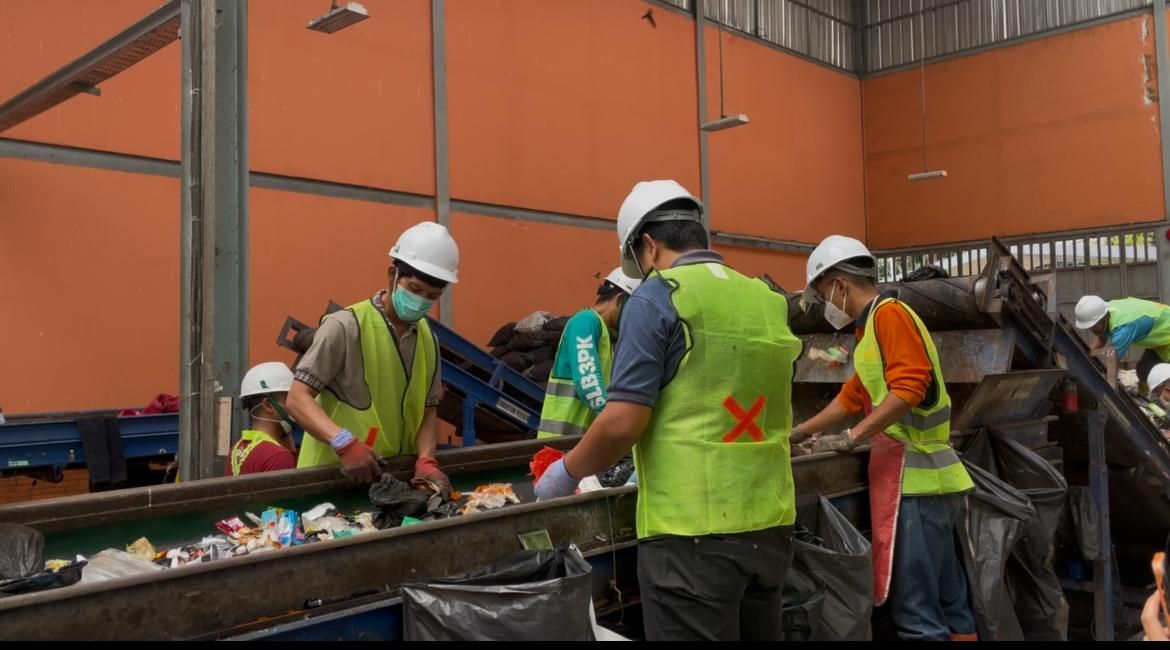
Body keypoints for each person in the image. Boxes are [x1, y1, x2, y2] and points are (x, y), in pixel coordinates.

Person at [535, 180, 802, 641]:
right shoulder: (767, 300)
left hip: (691, 536)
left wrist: (566, 472)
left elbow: (622, 421)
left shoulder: (658, 297)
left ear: (649, 245)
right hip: (771, 525)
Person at [791, 234, 977, 642]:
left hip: (916, 483)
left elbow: (909, 387)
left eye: (822, 293)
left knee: (916, 612)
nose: (825, 305)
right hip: (932, 483)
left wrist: (852, 437)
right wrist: (801, 432)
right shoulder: (871, 330)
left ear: (839, 283)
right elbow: (852, 397)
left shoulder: (890, 315)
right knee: (951, 601)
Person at [287, 222, 457, 487]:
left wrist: (426, 458)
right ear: (392, 274)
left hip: (390, 481)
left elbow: (428, 409)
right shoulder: (345, 326)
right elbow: (297, 398)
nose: (421, 300)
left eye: (432, 296)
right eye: (414, 289)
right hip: (332, 480)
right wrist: (343, 442)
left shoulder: (427, 338)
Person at [536, 267, 640, 439]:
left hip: (577, 446)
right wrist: (618, 422)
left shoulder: (603, 335)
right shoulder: (585, 322)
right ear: (620, 299)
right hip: (561, 446)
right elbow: (588, 383)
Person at [1075, 295, 1170, 381]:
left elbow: (1113, 363)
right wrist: (1083, 358)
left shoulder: (1123, 329)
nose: (1091, 330)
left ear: (1102, 317)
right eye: (1089, 327)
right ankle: (1150, 398)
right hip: (1162, 339)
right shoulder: (1107, 311)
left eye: (1093, 326)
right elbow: (1101, 339)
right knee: (1144, 371)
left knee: (1164, 378)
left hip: (1166, 332)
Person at [227, 362, 298, 476]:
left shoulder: (238, 448)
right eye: (289, 398)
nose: (295, 404)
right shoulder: (278, 456)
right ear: (269, 405)